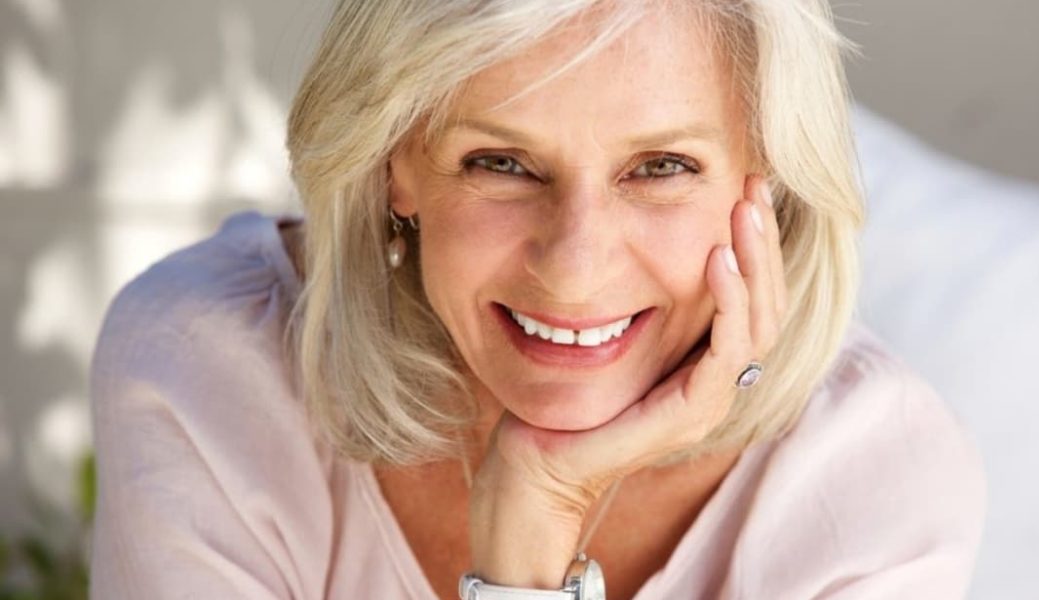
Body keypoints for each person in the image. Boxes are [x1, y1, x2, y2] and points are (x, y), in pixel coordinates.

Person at [89, 1, 986, 598]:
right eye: (502, 163)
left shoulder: (875, 481)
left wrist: (535, 528)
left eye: (661, 167)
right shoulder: (208, 369)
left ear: (766, 186)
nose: (575, 266)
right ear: (395, 166)